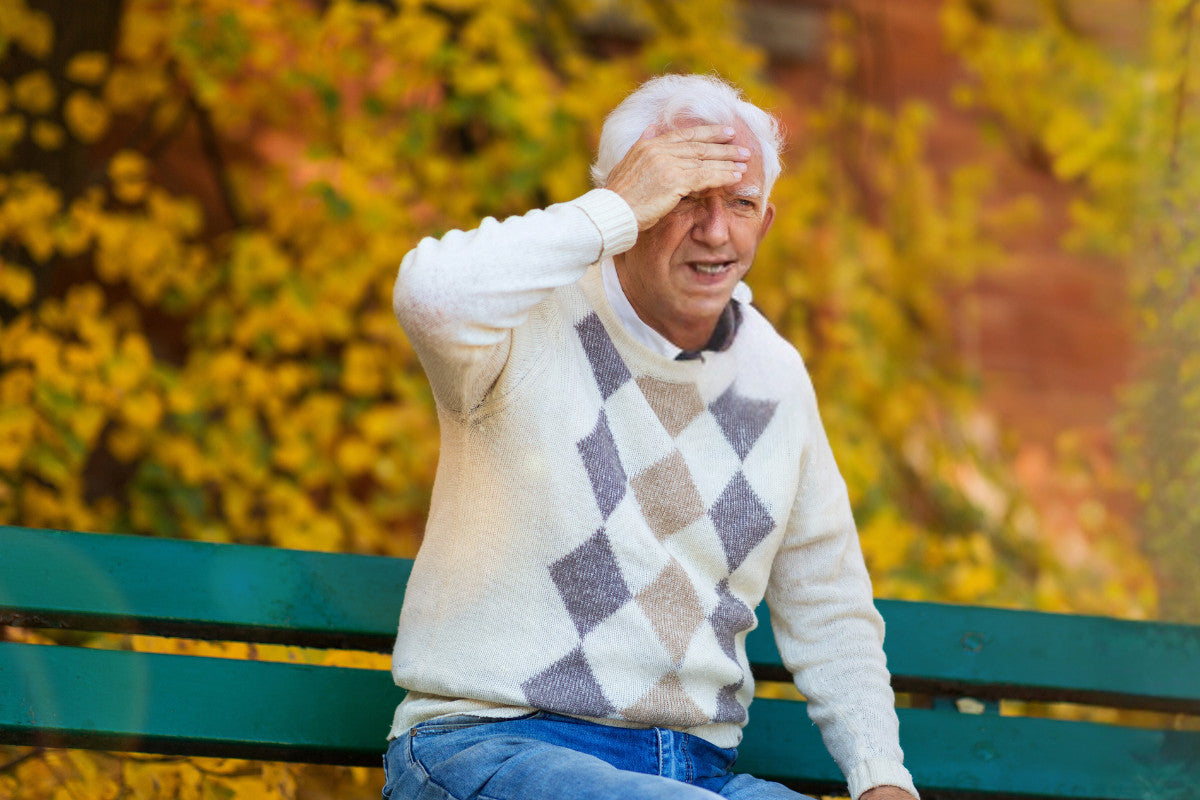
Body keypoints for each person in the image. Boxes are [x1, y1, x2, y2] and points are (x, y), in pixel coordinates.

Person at [384, 73, 920, 800]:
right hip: (493, 744)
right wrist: (608, 211)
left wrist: (882, 779)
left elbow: (830, 605)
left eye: (739, 203)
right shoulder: (524, 321)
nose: (716, 232)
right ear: (629, 203)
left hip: (695, 773)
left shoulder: (776, 378)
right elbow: (430, 295)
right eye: (683, 197)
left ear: (766, 222)